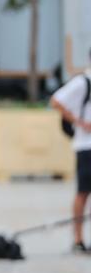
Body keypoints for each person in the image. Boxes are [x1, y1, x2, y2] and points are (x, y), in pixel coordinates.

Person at [50, 48, 91, 253]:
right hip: (86, 146)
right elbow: (56, 100)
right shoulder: (83, 82)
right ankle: (78, 238)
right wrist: (80, 122)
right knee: (83, 193)